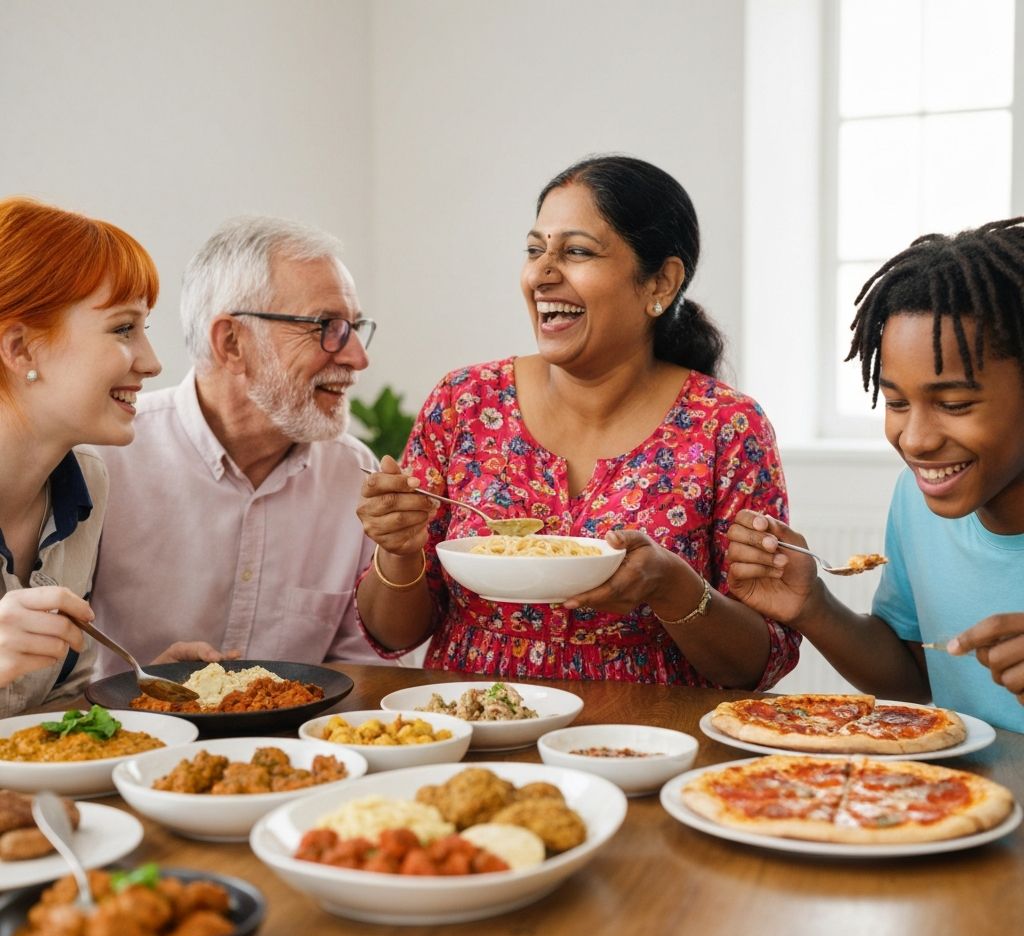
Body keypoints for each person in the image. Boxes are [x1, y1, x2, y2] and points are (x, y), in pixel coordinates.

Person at [356, 155, 800, 687]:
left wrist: (674, 589)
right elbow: (394, 633)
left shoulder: (726, 427)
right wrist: (398, 551)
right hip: (474, 736)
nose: (541, 274)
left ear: (660, 282)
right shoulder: (463, 403)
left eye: (577, 252)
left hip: (647, 745)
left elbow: (758, 664)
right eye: (534, 249)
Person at [726, 219, 1024, 732]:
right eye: (896, 403)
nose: (916, 439)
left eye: (953, 403)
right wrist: (811, 605)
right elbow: (911, 677)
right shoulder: (916, 498)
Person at [90, 215, 386, 675]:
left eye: (354, 327)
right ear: (231, 343)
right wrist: (133, 691)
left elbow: (364, 666)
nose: (357, 357)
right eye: (327, 326)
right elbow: (48, 671)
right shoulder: (105, 460)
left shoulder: (354, 473)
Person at [0, 197, 161, 715]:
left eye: (144, 329)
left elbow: (58, 702)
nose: (152, 363)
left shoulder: (84, 480)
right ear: (21, 348)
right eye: (122, 328)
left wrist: (135, 700)